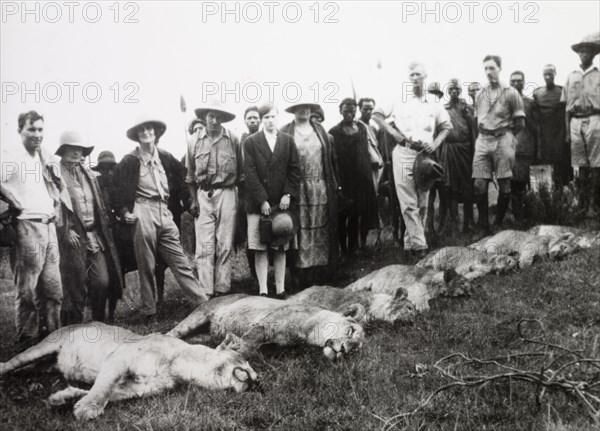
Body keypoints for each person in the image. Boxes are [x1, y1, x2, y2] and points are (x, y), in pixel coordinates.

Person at [113, 115, 207, 321]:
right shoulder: (129, 161)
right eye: (142, 130)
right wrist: (124, 212)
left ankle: (203, 304)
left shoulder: (165, 157)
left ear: (156, 133)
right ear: (137, 136)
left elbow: (183, 179)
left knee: (180, 260)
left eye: (150, 129)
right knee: (146, 264)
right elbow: (115, 190)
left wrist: (189, 201)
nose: (146, 133)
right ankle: (149, 311)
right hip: (142, 209)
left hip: (164, 211)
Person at [372, 62, 452, 257]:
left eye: (418, 75)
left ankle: (410, 245)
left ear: (425, 77)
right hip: (404, 153)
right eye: (412, 75)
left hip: (424, 156)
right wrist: (393, 132)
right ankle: (420, 246)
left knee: (423, 202)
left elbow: (446, 126)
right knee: (408, 202)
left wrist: (435, 144)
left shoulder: (433, 102)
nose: (415, 78)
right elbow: (376, 115)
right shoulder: (399, 99)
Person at [0, 111, 63, 347]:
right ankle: (27, 344)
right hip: (27, 226)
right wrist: (11, 201)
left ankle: (52, 343)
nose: (37, 134)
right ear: (20, 131)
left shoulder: (45, 156)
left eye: (40, 130)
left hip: (49, 227)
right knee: (27, 290)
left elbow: (56, 187)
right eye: (32, 129)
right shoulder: (12, 157)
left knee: (54, 290)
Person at [55, 132, 123, 325]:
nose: (77, 152)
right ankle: (72, 329)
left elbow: (99, 205)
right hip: (72, 238)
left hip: (95, 237)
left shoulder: (89, 175)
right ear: (63, 150)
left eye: (80, 149)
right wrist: (66, 229)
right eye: (72, 148)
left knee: (102, 281)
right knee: (73, 286)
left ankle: (97, 324)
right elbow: (54, 205)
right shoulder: (55, 175)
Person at [186, 101, 244, 298]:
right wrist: (193, 200)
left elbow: (242, 173)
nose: (213, 120)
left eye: (218, 116)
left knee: (225, 243)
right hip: (203, 194)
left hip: (227, 193)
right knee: (204, 245)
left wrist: (241, 199)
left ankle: (222, 289)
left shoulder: (233, 139)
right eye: (210, 116)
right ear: (205, 117)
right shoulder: (194, 141)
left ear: (223, 119)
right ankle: (205, 293)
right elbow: (189, 176)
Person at [281, 101, 340, 290]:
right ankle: (299, 276)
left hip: (320, 186)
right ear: (293, 110)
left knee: (320, 228)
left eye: (307, 107)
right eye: (300, 107)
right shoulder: (285, 132)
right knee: (299, 229)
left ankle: (319, 274)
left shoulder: (321, 131)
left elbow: (331, 161)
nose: (304, 111)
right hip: (297, 188)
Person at [243, 103, 300, 297]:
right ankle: (263, 290)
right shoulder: (251, 142)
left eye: (272, 116)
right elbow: (249, 174)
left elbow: (294, 170)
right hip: (258, 203)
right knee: (259, 247)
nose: (269, 120)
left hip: (281, 202)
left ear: (278, 117)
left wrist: (288, 195)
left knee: (280, 246)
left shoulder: (287, 141)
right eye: (265, 117)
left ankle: (280, 288)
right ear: (261, 120)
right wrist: (262, 200)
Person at [471, 55, 525, 234]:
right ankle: (483, 225)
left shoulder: (511, 93)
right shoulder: (480, 94)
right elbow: (478, 119)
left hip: (503, 139)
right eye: (485, 68)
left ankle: (498, 222)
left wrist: (507, 138)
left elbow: (520, 123)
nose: (488, 72)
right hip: (483, 140)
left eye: (492, 68)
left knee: (504, 185)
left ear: (500, 69)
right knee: (479, 184)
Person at [329, 98, 379, 256]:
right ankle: (345, 250)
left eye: (352, 111)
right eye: (346, 111)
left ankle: (359, 245)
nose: (349, 114)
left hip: (363, 179)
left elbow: (366, 152)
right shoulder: (334, 132)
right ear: (340, 111)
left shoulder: (362, 129)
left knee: (362, 213)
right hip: (345, 180)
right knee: (344, 216)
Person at [561, 31, 600, 218]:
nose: (584, 54)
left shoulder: (598, 75)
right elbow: (565, 107)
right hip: (575, 121)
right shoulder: (571, 76)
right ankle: (582, 204)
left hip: (595, 119)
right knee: (580, 164)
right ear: (578, 54)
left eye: (588, 51)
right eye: (581, 51)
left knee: (596, 164)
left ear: (593, 54)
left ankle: (593, 204)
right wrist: (568, 131)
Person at [442, 79, 477, 233]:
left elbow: (473, 131)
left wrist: (474, 150)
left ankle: (468, 222)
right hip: (449, 150)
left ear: (460, 91)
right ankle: (454, 222)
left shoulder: (466, 108)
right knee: (451, 187)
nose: (454, 91)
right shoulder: (444, 109)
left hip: (465, 150)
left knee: (467, 186)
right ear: (448, 92)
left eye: (457, 89)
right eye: (451, 89)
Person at [533, 65, 569, 186]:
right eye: (545, 74)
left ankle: (560, 197)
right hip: (544, 136)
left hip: (559, 135)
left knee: (561, 167)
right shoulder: (537, 93)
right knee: (545, 168)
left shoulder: (562, 91)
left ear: (555, 74)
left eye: (550, 73)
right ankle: (546, 199)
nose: (548, 76)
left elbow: (567, 113)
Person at [510, 71, 538, 224]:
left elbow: (536, 126)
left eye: (519, 81)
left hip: (528, 148)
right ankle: (517, 218)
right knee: (514, 185)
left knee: (529, 183)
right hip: (511, 150)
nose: (516, 84)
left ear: (524, 82)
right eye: (513, 81)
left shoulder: (530, 103)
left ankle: (531, 216)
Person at [240, 106, 260, 284]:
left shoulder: (268, 137)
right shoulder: (242, 140)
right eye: (249, 118)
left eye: (255, 118)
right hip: (248, 193)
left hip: (268, 191)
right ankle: (254, 274)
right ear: (245, 121)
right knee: (251, 235)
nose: (253, 121)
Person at [357, 97, 385, 197]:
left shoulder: (373, 127)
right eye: (365, 109)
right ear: (360, 109)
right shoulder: (357, 126)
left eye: (371, 109)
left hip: (376, 166)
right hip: (365, 167)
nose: (368, 112)